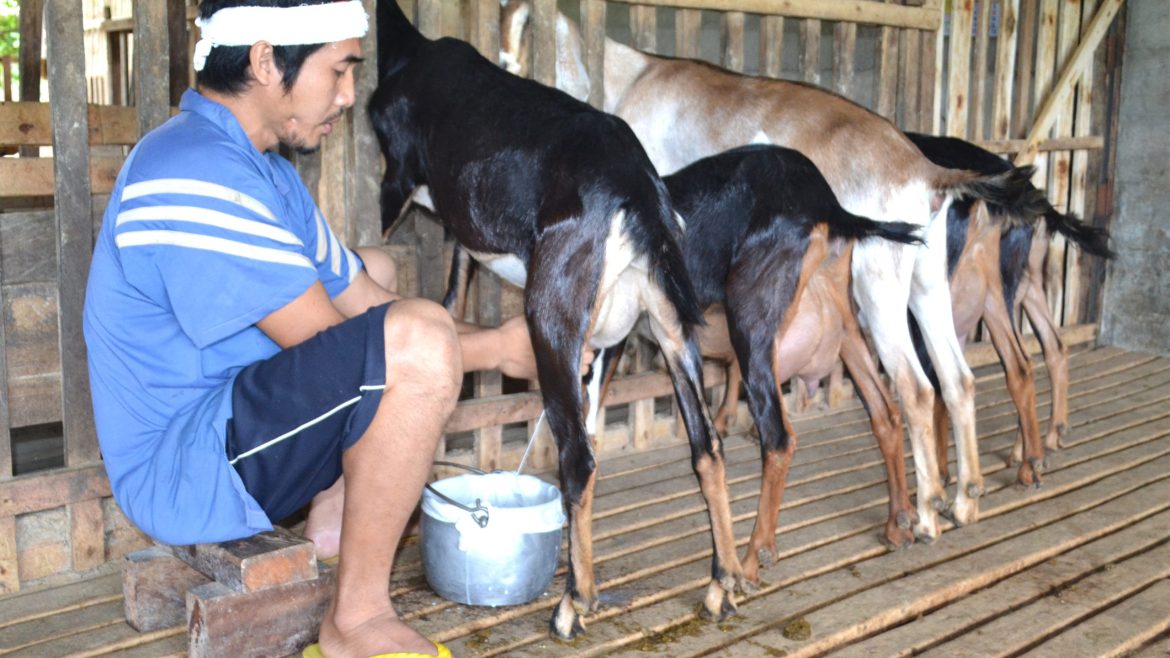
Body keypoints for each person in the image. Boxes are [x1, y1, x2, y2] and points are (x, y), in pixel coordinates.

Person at [83, 1, 547, 656]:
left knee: (378, 273)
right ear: (267, 59)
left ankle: (332, 517)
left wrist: (497, 340)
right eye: (339, 70)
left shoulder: (260, 167)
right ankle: (354, 622)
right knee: (412, 344)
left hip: (231, 417)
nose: (351, 95)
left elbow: (362, 297)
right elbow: (346, 341)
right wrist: (499, 346)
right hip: (186, 466)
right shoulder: (191, 172)